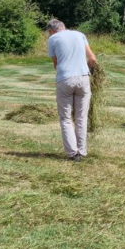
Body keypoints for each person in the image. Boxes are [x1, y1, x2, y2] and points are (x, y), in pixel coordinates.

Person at [45, 18, 97, 161]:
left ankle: (73, 154)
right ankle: (82, 151)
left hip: (65, 80)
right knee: (81, 117)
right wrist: (86, 68)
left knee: (66, 118)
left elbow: (56, 64)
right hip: (83, 78)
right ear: (64, 26)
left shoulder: (53, 39)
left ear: (51, 31)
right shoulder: (80, 35)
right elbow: (92, 59)